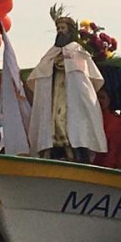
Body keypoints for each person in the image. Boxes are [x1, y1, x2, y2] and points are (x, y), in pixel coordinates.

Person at [26, 10, 107, 162]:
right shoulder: (52, 52)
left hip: (72, 95)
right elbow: (39, 72)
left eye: (63, 28)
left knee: (69, 121)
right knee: (54, 120)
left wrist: (69, 66)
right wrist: (54, 65)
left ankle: (72, 151)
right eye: (58, 29)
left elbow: (87, 76)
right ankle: (52, 150)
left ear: (70, 30)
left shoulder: (77, 49)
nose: (60, 31)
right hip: (55, 91)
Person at [93, 88, 121, 167]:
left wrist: (108, 166)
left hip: (108, 167)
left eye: (102, 97)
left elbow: (114, 148)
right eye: (97, 97)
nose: (99, 100)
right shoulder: (88, 120)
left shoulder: (115, 122)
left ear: (109, 101)